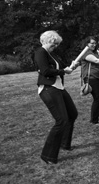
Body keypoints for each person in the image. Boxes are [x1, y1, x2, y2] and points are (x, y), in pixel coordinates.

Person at [34, 30, 78, 164]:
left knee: (72, 114)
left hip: (59, 87)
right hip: (48, 88)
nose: (55, 47)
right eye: (53, 44)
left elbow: (63, 67)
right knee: (61, 120)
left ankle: (65, 144)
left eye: (56, 45)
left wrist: (72, 67)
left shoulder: (52, 54)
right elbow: (46, 70)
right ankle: (47, 155)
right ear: (46, 41)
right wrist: (63, 71)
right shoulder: (40, 52)